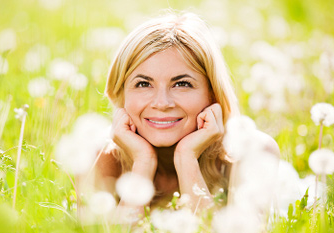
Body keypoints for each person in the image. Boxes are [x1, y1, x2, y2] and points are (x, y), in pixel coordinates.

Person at [95, 10, 279, 213]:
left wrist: (187, 159)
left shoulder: (252, 154)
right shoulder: (101, 158)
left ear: (212, 93)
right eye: (143, 84)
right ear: (122, 93)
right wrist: (143, 163)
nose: (162, 103)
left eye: (182, 83)